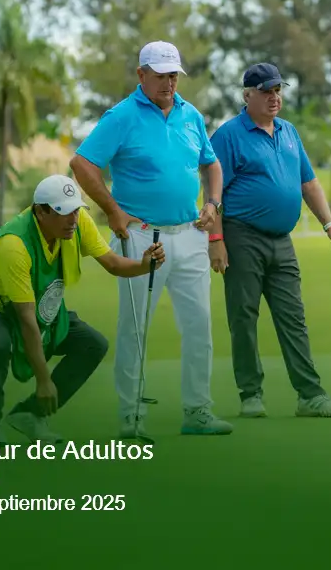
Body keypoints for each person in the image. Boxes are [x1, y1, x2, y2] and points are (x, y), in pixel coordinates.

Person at [69, 40, 232, 439]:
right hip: (142, 238)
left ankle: (198, 410)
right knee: (135, 328)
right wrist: (112, 210)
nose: (168, 83)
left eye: (173, 75)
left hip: (191, 234)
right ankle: (131, 416)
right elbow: (82, 163)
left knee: (199, 326)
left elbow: (211, 165)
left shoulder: (191, 115)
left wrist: (213, 203)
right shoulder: (122, 116)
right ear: (141, 74)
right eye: (160, 75)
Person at [0, 174, 165, 446]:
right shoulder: (13, 245)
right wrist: (44, 381)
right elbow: (26, 320)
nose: (72, 219)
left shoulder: (77, 223)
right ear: (40, 212)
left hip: (37, 305)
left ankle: (30, 415)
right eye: (63, 212)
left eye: (76, 210)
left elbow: (113, 264)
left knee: (92, 344)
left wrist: (144, 265)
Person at [207, 62, 331, 419]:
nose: (274, 98)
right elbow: (213, 192)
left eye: (277, 91)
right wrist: (216, 239)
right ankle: (251, 394)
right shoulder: (228, 136)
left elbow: (308, 183)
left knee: (293, 317)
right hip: (241, 235)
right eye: (266, 92)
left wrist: (330, 225)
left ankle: (310, 395)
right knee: (243, 317)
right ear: (247, 95)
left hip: (281, 240)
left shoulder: (288, 132)